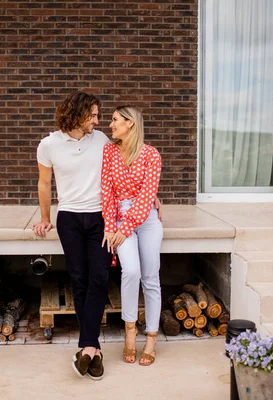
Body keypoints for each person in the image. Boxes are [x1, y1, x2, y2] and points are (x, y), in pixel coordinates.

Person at [33, 91, 112, 380]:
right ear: (76, 114)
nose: (97, 120)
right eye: (92, 114)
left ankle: (86, 347)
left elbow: (125, 168)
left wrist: (150, 195)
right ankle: (95, 348)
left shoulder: (101, 140)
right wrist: (44, 218)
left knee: (100, 277)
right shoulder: (49, 144)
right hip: (68, 218)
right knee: (78, 279)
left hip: (100, 217)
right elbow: (44, 184)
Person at [101, 105, 163, 367]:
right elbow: (106, 191)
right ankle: (129, 330)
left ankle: (151, 337)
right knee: (131, 272)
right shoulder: (109, 152)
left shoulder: (151, 155)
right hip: (119, 216)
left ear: (131, 124)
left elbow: (148, 196)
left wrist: (123, 230)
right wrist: (109, 226)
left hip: (146, 218)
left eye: (116, 120)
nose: (111, 125)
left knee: (150, 277)